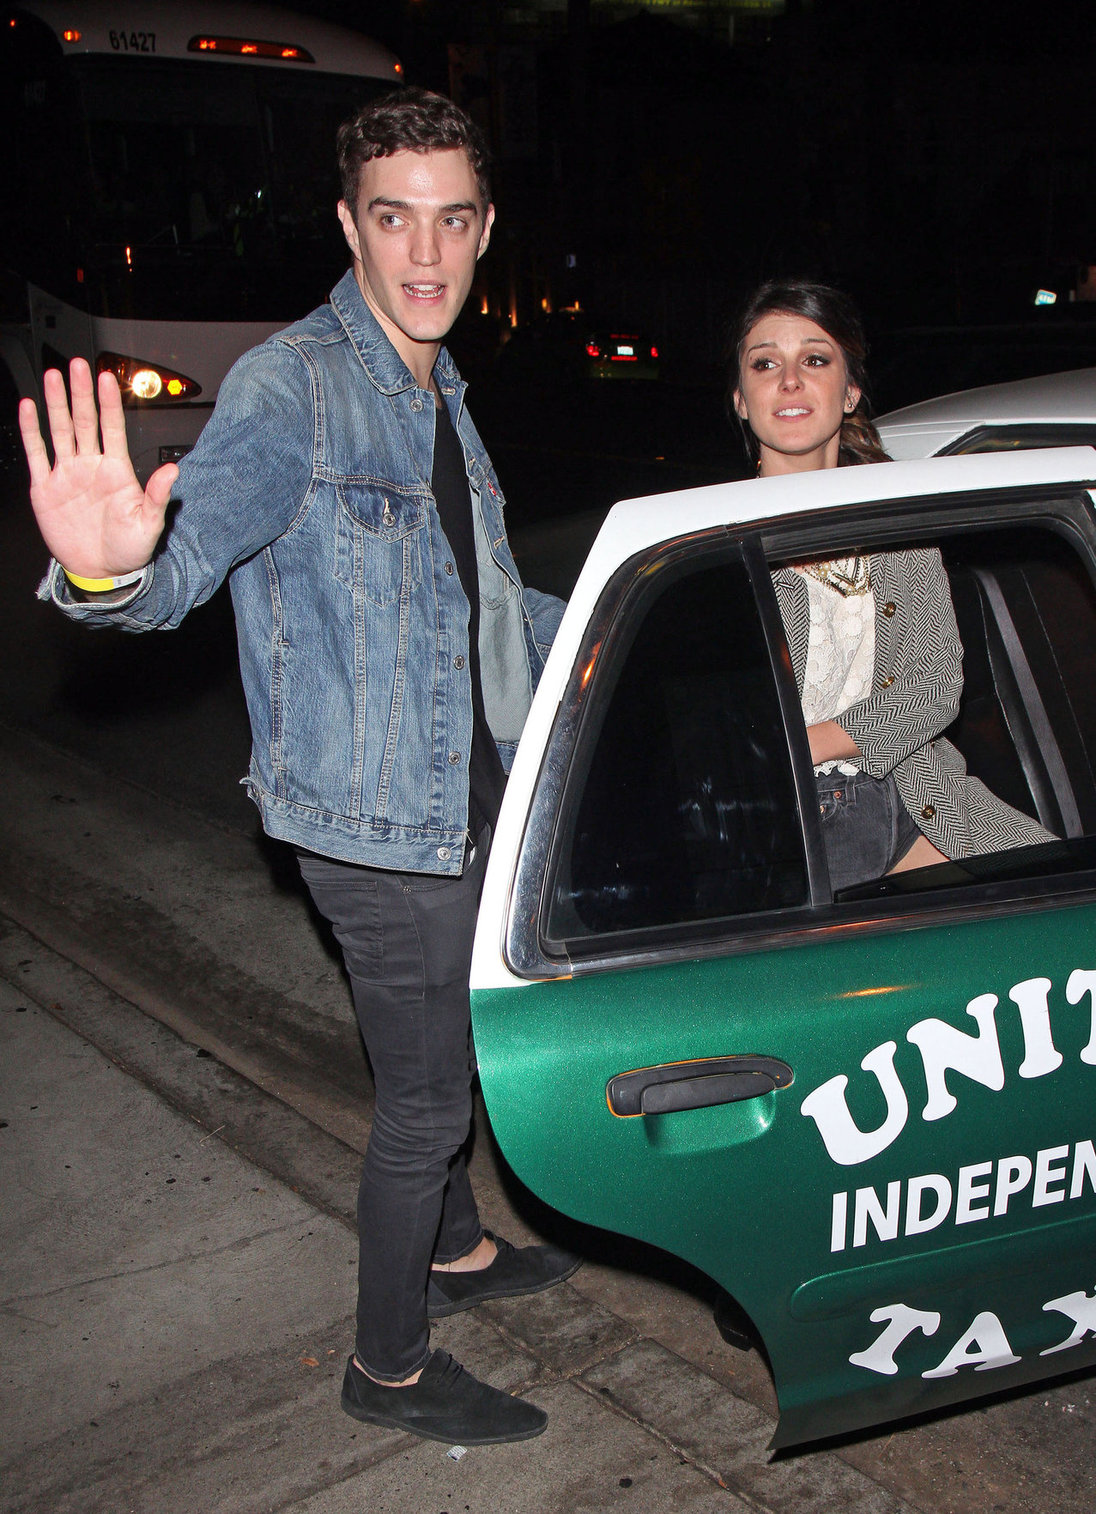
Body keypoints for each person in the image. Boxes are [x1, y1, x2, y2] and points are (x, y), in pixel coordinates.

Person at [19, 88, 580, 1447]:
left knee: (445, 1049)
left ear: (487, 225)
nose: (426, 253)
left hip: (457, 786)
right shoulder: (297, 384)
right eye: (394, 219)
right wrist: (110, 561)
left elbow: (482, 594)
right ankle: (387, 1366)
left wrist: (624, 618)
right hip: (375, 823)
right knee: (428, 1097)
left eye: (453, 219)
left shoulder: (439, 381)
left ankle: (454, 1250)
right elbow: (180, 566)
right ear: (348, 223)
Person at [728, 278, 1053, 892]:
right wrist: (794, 755)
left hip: (918, 803)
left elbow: (935, 688)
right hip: (791, 830)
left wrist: (813, 740)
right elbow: (728, 736)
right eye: (765, 363)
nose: (789, 381)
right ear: (742, 398)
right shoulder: (711, 545)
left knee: (1061, 916)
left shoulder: (898, 519)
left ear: (849, 391)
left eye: (815, 359)